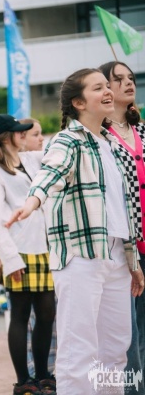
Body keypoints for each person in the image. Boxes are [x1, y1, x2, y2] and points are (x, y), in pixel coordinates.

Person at [7, 68, 145, 394]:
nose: (108, 91)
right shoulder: (67, 140)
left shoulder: (112, 144)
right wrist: (32, 202)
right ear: (79, 103)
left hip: (116, 254)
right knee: (79, 349)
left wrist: (133, 263)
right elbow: (51, 173)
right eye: (98, 88)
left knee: (116, 350)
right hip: (81, 256)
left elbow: (122, 208)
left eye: (107, 85)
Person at [0, 114, 56, 394]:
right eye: (19, 131)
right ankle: (23, 381)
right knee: (21, 315)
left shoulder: (31, 160)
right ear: (6, 137)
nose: (24, 134)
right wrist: (11, 260)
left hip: (43, 248)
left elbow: (55, 153)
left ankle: (43, 374)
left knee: (47, 313)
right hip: (18, 250)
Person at [99, 60, 145, 395]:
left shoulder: (142, 130)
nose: (128, 83)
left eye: (131, 78)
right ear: (105, 89)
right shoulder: (101, 138)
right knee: (128, 334)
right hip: (125, 244)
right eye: (119, 79)